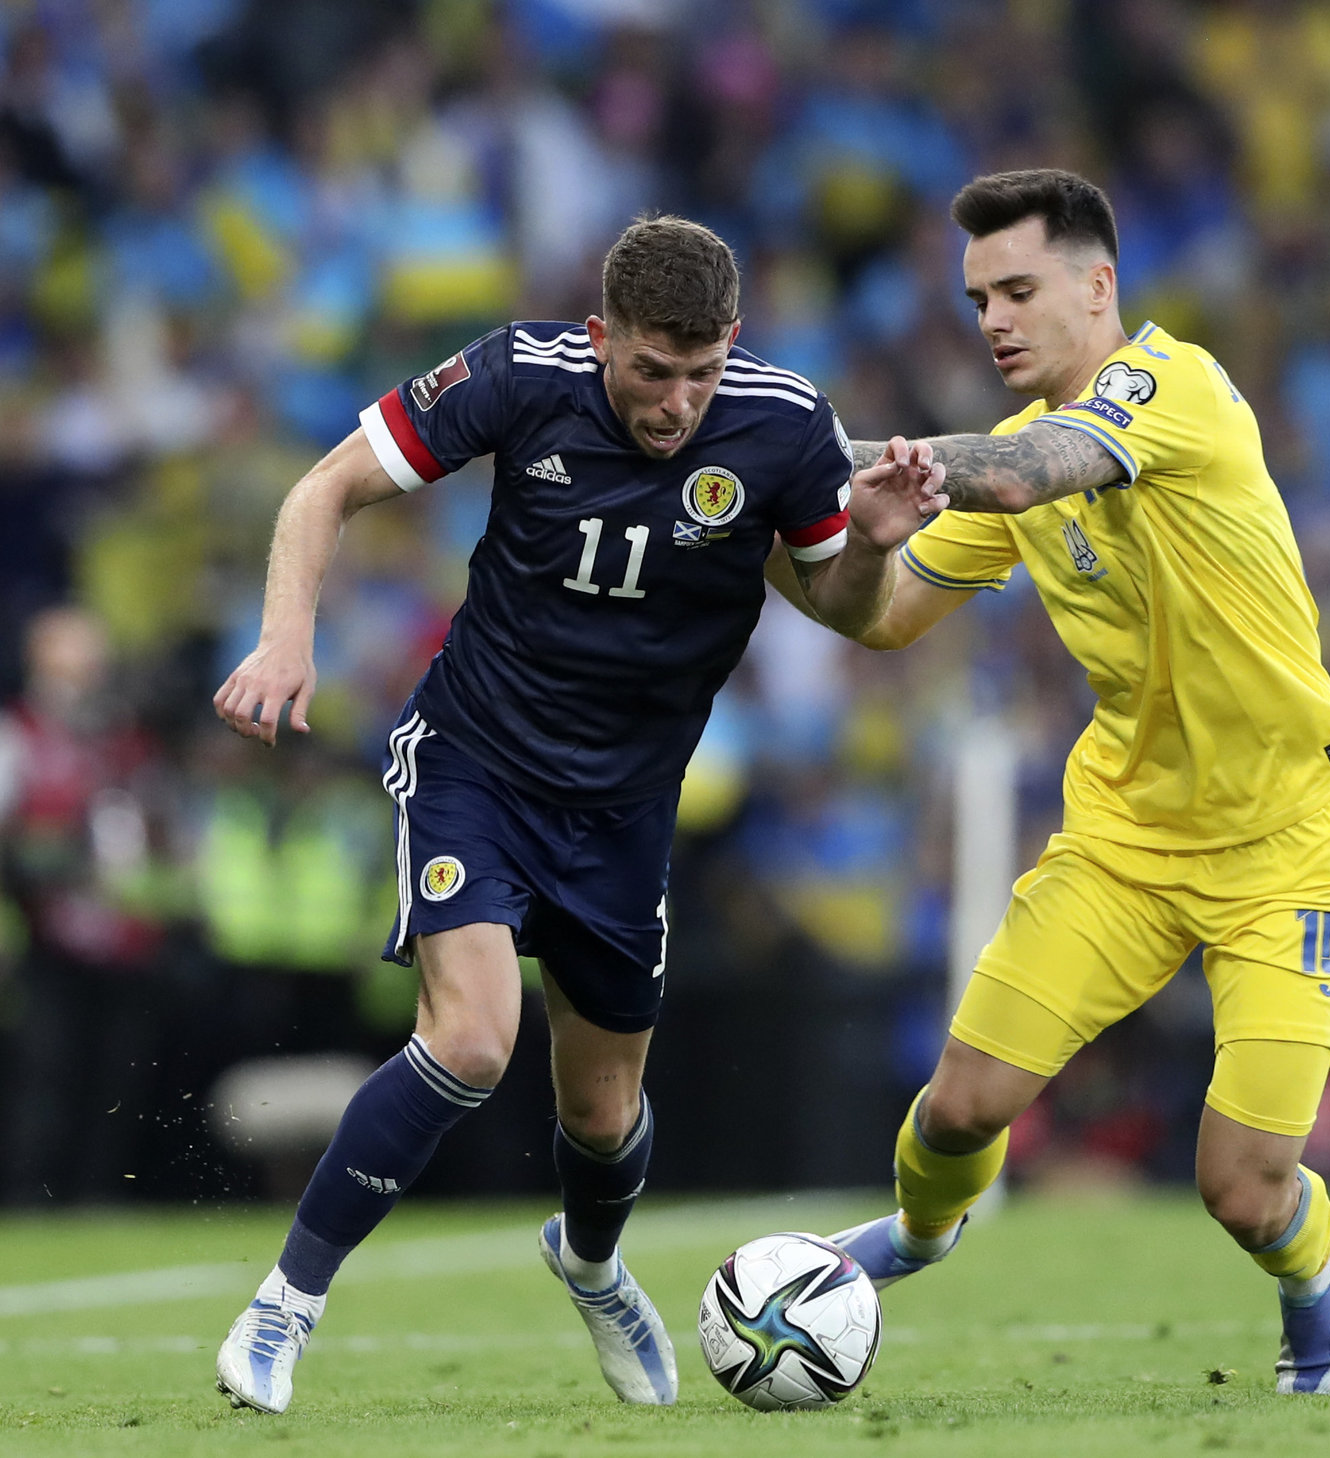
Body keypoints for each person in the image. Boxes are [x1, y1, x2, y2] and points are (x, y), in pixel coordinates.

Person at [209, 216, 936, 1413]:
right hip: (475, 764)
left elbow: (854, 611)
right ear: (601, 337)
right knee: (475, 1040)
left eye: (701, 374)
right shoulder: (516, 374)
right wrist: (288, 638)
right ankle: (285, 1305)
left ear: (733, 348)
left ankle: (592, 1268)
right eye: (652, 371)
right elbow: (323, 488)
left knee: (601, 1116)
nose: (677, 404)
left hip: (626, 810)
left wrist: (867, 544)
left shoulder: (787, 422)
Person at [786, 169, 1330, 1395]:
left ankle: (1318, 1275)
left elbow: (1023, 477)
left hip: (1290, 840)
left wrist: (779, 449)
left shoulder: (1173, 388)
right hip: (1125, 833)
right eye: (976, 299)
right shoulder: (1003, 446)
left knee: (1241, 1187)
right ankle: (916, 1234)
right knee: (956, 1110)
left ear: (1097, 284)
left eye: (1018, 289)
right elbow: (881, 617)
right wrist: (770, 527)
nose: (994, 319)